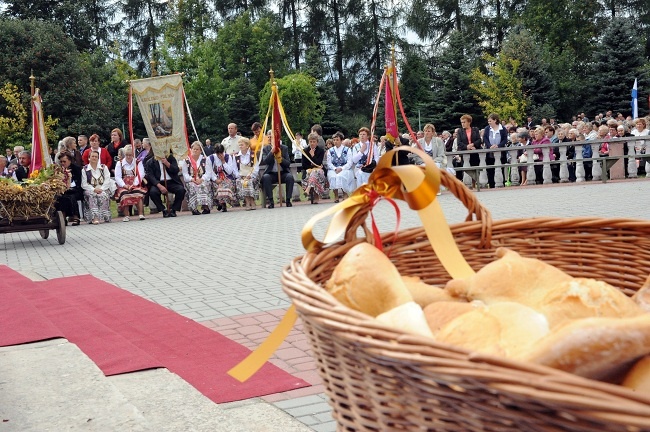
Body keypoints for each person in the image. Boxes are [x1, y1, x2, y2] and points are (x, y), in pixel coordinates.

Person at [145, 151, 185, 218]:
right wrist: (159, 186)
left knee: (181, 190)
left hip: (171, 181)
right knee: (153, 192)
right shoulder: (150, 162)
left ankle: (174, 209)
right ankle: (163, 209)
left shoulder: (170, 158)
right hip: (158, 183)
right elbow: (150, 176)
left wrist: (167, 164)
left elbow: (176, 170)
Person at [114, 145, 147, 222]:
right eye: (127, 155)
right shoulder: (120, 163)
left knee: (138, 193)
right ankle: (126, 215)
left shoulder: (138, 162)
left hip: (135, 183)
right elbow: (117, 177)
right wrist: (124, 185)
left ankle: (140, 213)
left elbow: (141, 174)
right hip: (124, 184)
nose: (128, 157)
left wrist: (134, 184)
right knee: (124, 193)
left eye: (130, 155)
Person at [260, 139, 294, 209]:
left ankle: (288, 200)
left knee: (290, 177)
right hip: (271, 173)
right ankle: (271, 201)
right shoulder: (265, 149)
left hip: (282, 173)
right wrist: (271, 153)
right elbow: (266, 161)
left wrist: (281, 159)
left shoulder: (284, 148)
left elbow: (288, 163)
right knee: (266, 177)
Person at [81, 150, 113, 224]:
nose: (94, 158)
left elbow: (107, 180)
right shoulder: (85, 169)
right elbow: (84, 184)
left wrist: (101, 189)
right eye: (92, 156)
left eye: (96, 157)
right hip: (90, 190)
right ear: (89, 158)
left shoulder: (103, 167)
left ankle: (106, 216)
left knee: (103, 195)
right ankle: (94, 217)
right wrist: (94, 189)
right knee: (92, 195)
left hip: (103, 189)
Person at [181, 141, 212, 215]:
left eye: (197, 149)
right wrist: (192, 179)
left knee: (204, 185)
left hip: (202, 179)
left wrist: (201, 179)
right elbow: (185, 174)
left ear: (201, 150)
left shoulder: (206, 159)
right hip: (191, 180)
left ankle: (205, 206)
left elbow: (208, 173)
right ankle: (194, 208)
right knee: (192, 186)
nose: (195, 151)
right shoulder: (186, 160)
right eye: (193, 149)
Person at [208, 143, 239, 212]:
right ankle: (219, 203)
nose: (220, 155)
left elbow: (230, 171)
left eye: (221, 153)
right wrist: (215, 179)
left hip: (227, 177)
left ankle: (224, 204)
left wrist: (223, 161)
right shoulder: (211, 158)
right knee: (215, 186)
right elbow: (210, 171)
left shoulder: (228, 157)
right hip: (216, 178)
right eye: (218, 153)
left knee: (227, 184)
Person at [55, 151, 83, 226]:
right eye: (61, 162)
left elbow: (79, 182)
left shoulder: (76, 168)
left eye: (64, 161)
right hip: (63, 190)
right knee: (61, 197)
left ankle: (75, 217)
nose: (63, 163)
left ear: (70, 161)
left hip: (75, 190)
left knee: (71, 196)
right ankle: (62, 217)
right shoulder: (58, 170)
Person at [326, 132, 354, 202]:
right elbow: (329, 163)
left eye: (337, 140)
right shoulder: (330, 151)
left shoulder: (347, 150)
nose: (335, 141)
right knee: (332, 177)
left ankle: (345, 193)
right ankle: (336, 195)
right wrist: (335, 168)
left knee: (341, 176)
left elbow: (350, 162)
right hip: (334, 169)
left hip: (345, 169)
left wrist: (342, 168)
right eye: (334, 140)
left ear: (341, 140)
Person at [456, 114, 482, 188]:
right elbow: (459, 143)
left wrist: (473, 144)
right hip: (465, 153)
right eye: (462, 122)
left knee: (475, 168)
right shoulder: (460, 131)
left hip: (475, 152)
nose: (463, 124)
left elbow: (479, 140)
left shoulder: (475, 130)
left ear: (469, 122)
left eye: (464, 122)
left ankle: (475, 184)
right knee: (467, 169)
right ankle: (468, 184)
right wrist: (467, 147)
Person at [483, 114, 508, 188]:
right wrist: (490, 146)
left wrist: (498, 146)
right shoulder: (487, 129)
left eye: (490, 121)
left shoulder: (502, 129)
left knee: (500, 169)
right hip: (490, 152)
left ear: (495, 120)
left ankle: (501, 184)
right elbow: (485, 138)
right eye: (488, 121)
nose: (489, 122)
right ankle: (491, 185)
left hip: (500, 152)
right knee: (490, 170)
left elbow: (505, 139)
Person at [302, 132, 327, 204]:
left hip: (320, 172)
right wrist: (313, 166)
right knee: (313, 172)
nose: (312, 143)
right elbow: (304, 165)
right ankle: (316, 197)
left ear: (317, 142)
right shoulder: (305, 151)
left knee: (316, 172)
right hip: (308, 172)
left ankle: (308, 189)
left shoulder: (321, 151)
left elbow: (319, 162)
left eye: (314, 142)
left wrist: (313, 156)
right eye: (310, 142)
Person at [236, 137, 260, 210]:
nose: (240, 146)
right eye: (239, 145)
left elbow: (256, 167)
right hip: (242, 176)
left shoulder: (253, 155)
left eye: (242, 145)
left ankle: (252, 201)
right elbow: (235, 169)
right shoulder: (237, 156)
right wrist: (240, 176)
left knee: (249, 182)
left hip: (251, 176)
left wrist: (251, 175)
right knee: (240, 182)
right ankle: (247, 202)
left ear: (247, 146)